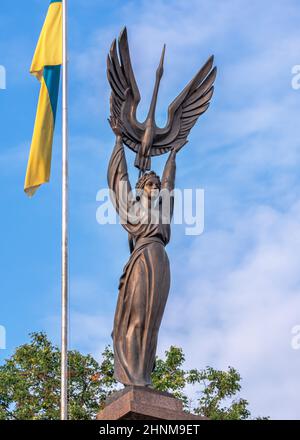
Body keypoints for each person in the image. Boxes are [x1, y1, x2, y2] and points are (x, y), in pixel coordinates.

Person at [107, 117, 180, 387]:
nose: (156, 187)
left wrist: (172, 154)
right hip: (141, 260)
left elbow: (170, 185)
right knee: (136, 317)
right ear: (141, 190)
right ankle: (132, 376)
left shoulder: (163, 211)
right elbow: (119, 180)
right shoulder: (133, 211)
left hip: (160, 261)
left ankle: (145, 377)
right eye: (151, 184)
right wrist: (118, 141)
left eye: (156, 184)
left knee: (152, 322)